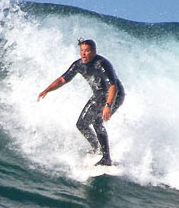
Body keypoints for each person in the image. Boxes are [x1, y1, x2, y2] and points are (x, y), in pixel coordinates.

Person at [37, 38, 125, 166]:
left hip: (115, 95)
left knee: (96, 121)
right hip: (99, 94)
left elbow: (113, 87)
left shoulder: (102, 64)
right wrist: (47, 90)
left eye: (87, 51)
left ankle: (106, 158)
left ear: (94, 51)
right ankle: (97, 148)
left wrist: (108, 105)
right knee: (81, 124)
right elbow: (62, 80)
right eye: (82, 51)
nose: (83, 53)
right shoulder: (78, 65)